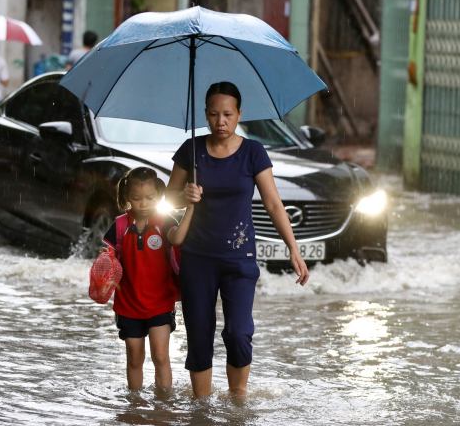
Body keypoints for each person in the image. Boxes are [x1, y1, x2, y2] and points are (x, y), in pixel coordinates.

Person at [166, 81, 310, 399]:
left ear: (239, 114)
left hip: (239, 259)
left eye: (228, 114)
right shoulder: (191, 150)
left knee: (239, 333)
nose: (221, 121)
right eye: (214, 114)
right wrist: (185, 194)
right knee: (200, 336)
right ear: (205, 114)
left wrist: (293, 246)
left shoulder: (253, 153)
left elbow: (273, 203)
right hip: (197, 258)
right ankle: (201, 413)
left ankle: (238, 404)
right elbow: (168, 197)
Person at [102, 167, 194, 391]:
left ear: (159, 196)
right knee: (134, 357)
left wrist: (191, 207)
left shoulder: (164, 222)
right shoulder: (120, 226)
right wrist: (104, 272)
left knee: (161, 356)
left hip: (160, 302)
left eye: (150, 198)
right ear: (126, 197)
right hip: (128, 305)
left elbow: (178, 237)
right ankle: (134, 405)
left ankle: (163, 406)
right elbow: (107, 256)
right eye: (136, 198)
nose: (143, 203)